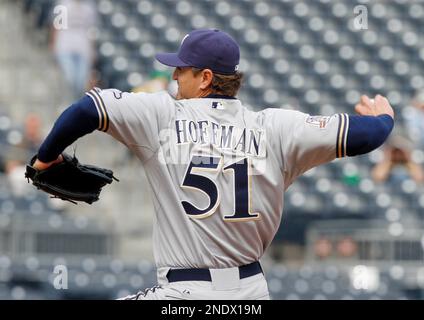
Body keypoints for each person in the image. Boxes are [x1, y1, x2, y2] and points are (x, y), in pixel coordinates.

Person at [31, 29, 394, 300]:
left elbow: (86, 110)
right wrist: (384, 120)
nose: (174, 76)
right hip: (251, 294)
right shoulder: (275, 128)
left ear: (205, 78)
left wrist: (45, 159)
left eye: (182, 69)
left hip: (184, 295)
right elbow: (367, 135)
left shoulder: (163, 115)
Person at [49, 0, 98, 99]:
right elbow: (56, 26)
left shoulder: (89, 7)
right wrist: (53, 45)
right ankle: (68, 104)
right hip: (64, 46)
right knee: (69, 78)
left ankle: (75, 105)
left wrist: (92, 51)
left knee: (80, 82)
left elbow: (91, 30)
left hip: (83, 48)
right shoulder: (63, 4)